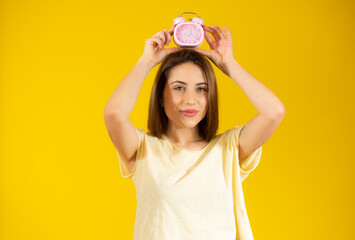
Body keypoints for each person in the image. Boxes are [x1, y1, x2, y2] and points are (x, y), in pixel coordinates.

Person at [104, 23, 285, 240]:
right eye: (179, 87)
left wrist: (229, 63)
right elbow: (114, 113)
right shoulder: (143, 149)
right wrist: (146, 62)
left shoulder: (228, 149)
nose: (191, 100)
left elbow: (273, 112)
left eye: (201, 89)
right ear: (160, 96)